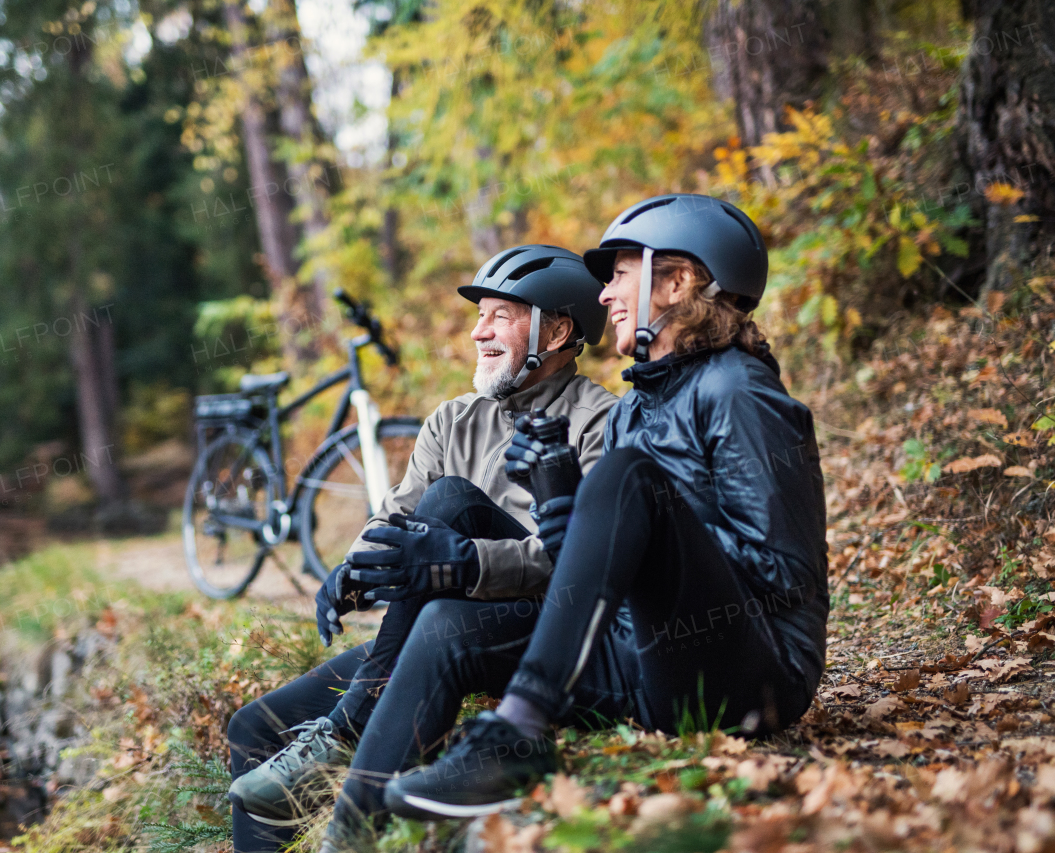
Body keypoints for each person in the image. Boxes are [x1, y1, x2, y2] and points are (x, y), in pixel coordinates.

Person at [335, 193, 828, 826]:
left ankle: (522, 727)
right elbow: (595, 580)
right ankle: (347, 833)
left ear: (678, 282)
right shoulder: (630, 410)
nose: (603, 295)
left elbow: (785, 575)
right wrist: (565, 506)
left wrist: (647, 524)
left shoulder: (737, 391)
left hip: (754, 677)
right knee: (446, 627)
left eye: (621, 274)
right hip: (644, 662)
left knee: (628, 476)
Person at [225, 245, 617, 852]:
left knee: (454, 502)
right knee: (252, 726)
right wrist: (355, 571)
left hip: (532, 625)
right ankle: (333, 740)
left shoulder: (601, 422)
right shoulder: (451, 420)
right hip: (435, 622)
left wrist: (465, 562)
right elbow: (396, 515)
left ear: (560, 330)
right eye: (478, 316)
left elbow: (582, 557)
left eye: (500, 316)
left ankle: (346, 730)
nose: (478, 331)